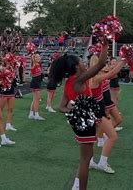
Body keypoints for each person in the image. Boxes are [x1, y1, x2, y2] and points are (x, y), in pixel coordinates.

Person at [50, 41, 108, 190]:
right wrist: (105, 44)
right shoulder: (78, 79)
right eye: (81, 62)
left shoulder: (70, 82)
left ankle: (77, 186)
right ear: (76, 67)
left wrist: (76, 112)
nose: (84, 63)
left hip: (81, 123)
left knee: (86, 157)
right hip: (85, 124)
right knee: (85, 160)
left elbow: (61, 107)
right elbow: (101, 64)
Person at [29, 52, 45, 120]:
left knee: (35, 99)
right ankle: (36, 115)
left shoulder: (38, 64)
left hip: (36, 83)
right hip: (35, 84)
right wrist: (33, 56)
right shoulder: (34, 64)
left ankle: (31, 114)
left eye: (39, 57)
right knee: (37, 100)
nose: (38, 58)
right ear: (34, 58)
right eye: (36, 57)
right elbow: (32, 64)